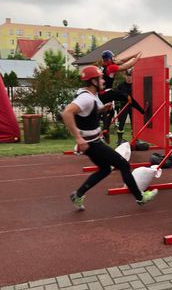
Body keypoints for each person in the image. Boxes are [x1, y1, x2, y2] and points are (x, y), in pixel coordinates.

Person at [61, 66, 158, 210]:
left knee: (105, 169)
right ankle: (140, 197)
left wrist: (101, 109)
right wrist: (78, 139)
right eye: (100, 78)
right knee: (123, 165)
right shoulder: (86, 97)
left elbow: (86, 111)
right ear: (93, 81)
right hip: (91, 143)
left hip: (93, 141)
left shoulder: (89, 95)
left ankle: (78, 194)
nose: (103, 80)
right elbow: (67, 113)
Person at [98, 50, 142, 143]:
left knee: (110, 110)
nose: (114, 59)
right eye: (112, 58)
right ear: (109, 59)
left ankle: (105, 129)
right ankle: (142, 111)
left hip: (101, 94)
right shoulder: (111, 67)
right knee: (126, 96)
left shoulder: (105, 66)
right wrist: (137, 59)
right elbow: (126, 66)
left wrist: (134, 54)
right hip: (107, 92)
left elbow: (122, 60)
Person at [114, 68, 145, 146]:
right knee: (121, 124)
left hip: (133, 107)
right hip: (124, 106)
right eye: (127, 76)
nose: (129, 78)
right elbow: (116, 95)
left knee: (134, 124)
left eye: (130, 76)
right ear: (125, 76)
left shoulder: (136, 85)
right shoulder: (121, 85)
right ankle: (119, 139)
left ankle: (136, 140)